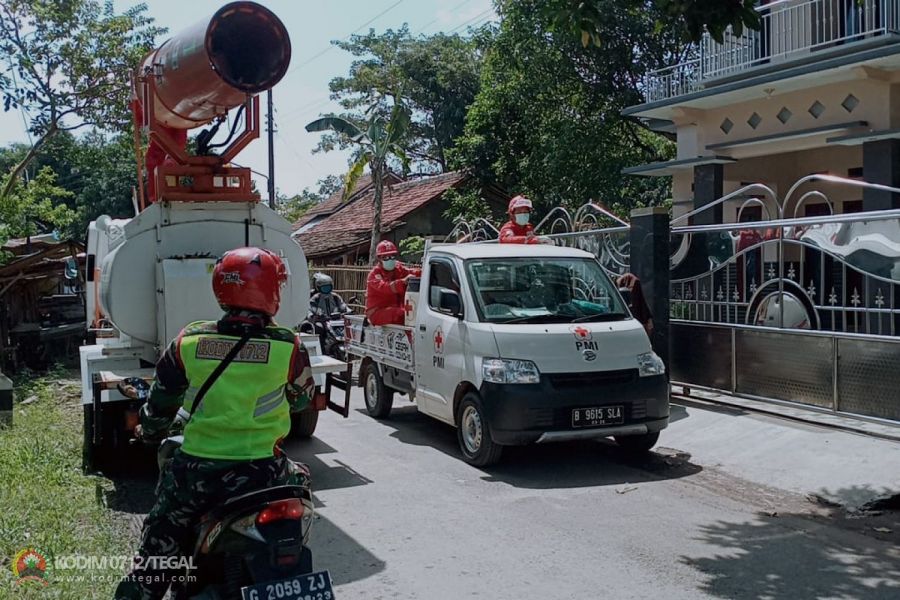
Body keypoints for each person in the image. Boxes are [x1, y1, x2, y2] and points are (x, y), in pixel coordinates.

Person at [115, 247, 315, 600]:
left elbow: (160, 405)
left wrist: (149, 431)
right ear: (271, 290)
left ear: (221, 288)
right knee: (300, 487)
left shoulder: (189, 341)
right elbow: (302, 400)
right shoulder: (289, 346)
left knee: (155, 559)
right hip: (266, 473)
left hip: (196, 475)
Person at [365, 240, 421, 326]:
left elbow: (411, 272)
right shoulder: (374, 275)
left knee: (414, 314)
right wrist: (402, 282)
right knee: (402, 314)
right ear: (379, 259)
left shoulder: (398, 268)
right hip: (377, 312)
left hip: (395, 308)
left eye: (392, 256)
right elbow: (385, 287)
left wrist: (424, 272)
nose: (390, 260)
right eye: (386, 257)